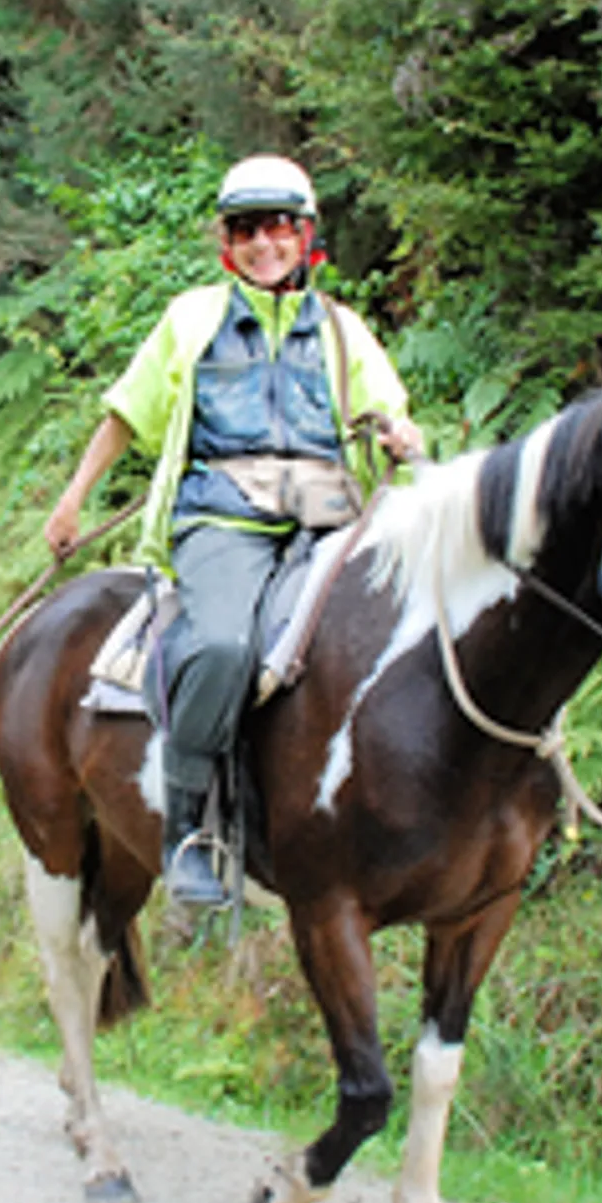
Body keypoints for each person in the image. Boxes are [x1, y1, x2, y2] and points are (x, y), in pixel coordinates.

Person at [43, 154, 424, 908]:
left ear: (305, 235)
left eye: (277, 226)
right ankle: (188, 828)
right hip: (222, 515)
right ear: (227, 241)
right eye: (246, 229)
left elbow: (390, 409)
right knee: (221, 645)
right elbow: (128, 412)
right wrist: (72, 499)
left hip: (331, 516)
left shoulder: (342, 330)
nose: (263, 243)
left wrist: (402, 438)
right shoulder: (193, 318)